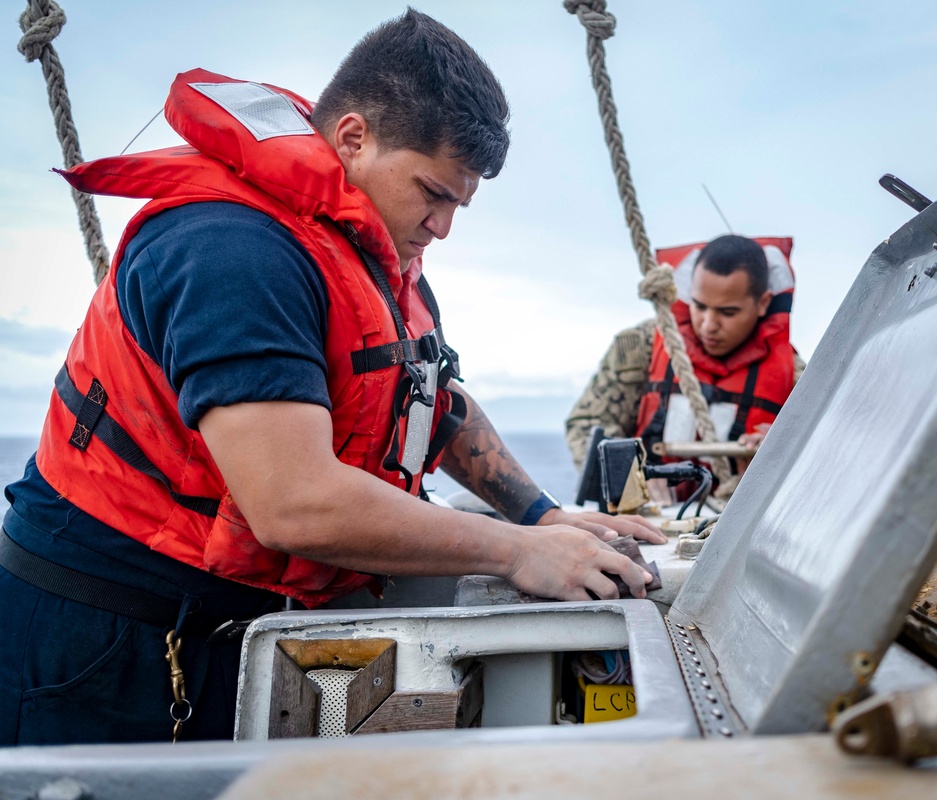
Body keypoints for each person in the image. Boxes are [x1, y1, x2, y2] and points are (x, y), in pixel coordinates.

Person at [0, 10, 664, 746]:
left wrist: (543, 515)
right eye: (433, 193)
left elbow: (431, 400)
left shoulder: (373, 258)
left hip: (230, 629)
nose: (444, 227)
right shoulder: (233, 250)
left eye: (459, 204)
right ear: (353, 136)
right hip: (99, 641)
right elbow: (296, 505)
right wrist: (517, 551)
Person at [566, 234, 801, 483]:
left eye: (728, 312)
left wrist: (779, 449)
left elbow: (817, 454)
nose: (709, 325)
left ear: (763, 303)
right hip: (645, 515)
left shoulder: (798, 380)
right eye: (699, 306)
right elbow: (587, 424)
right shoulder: (641, 347)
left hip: (735, 517)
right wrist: (629, 480)